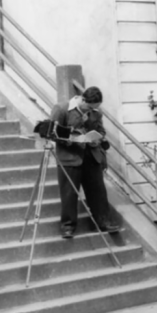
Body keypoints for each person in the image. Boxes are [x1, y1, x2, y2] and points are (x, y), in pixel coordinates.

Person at [49, 86, 119, 239]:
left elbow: (101, 131)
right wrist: (73, 138)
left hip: (91, 156)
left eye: (94, 108)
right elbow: (52, 133)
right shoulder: (61, 109)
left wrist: (95, 137)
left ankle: (104, 221)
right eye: (88, 107)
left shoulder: (95, 113)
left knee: (98, 191)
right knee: (69, 194)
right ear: (82, 99)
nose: (90, 111)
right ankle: (68, 226)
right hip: (69, 157)